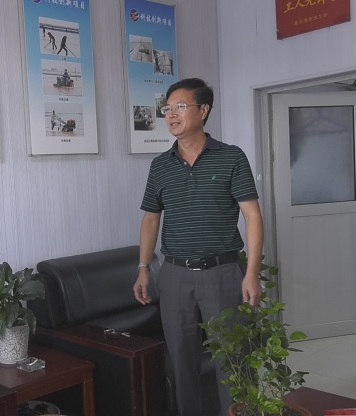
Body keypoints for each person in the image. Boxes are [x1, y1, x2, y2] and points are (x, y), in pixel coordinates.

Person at [133, 78, 263, 416]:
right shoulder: (160, 165)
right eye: (167, 109)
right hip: (175, 275)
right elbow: (151, 220)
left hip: (222, 272)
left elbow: (252, 216)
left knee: (232, 359)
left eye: (180, 107)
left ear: (203, 110)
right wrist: (144, 268)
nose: (171, 115)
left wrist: (251, 273)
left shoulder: (231, 157)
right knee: (181, 361)